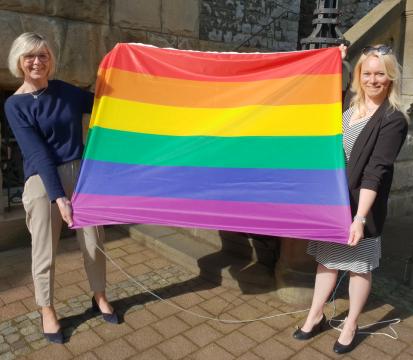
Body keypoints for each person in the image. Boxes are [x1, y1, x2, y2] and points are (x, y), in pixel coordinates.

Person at [292, 44, 408, 354]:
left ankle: (352, 322)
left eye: (380, 74)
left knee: (358, 266)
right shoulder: (350, 100)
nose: (373, 80)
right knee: (326, 260)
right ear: (359, 75)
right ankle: (315, 315)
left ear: (391, 77)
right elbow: (319, 95)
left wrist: (359, 218)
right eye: (367, 73)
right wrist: (333, 60)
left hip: (362, 206)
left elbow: (376, 171)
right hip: (333, 201)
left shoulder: (394, 120)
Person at [4, 32, 119, 344]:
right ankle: (47, 309)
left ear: (51, 59)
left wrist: (123, 70)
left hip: (80, 173)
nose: (37, 61)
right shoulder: (15, 105)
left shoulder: (65, 92)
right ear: (19, 61)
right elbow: (38, 153)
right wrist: (58, 196)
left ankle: (99, 295)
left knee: (94, 241)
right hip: (42, 179)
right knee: (45, 249)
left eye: (43, 55)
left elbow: (103, 102)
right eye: (30, 56)